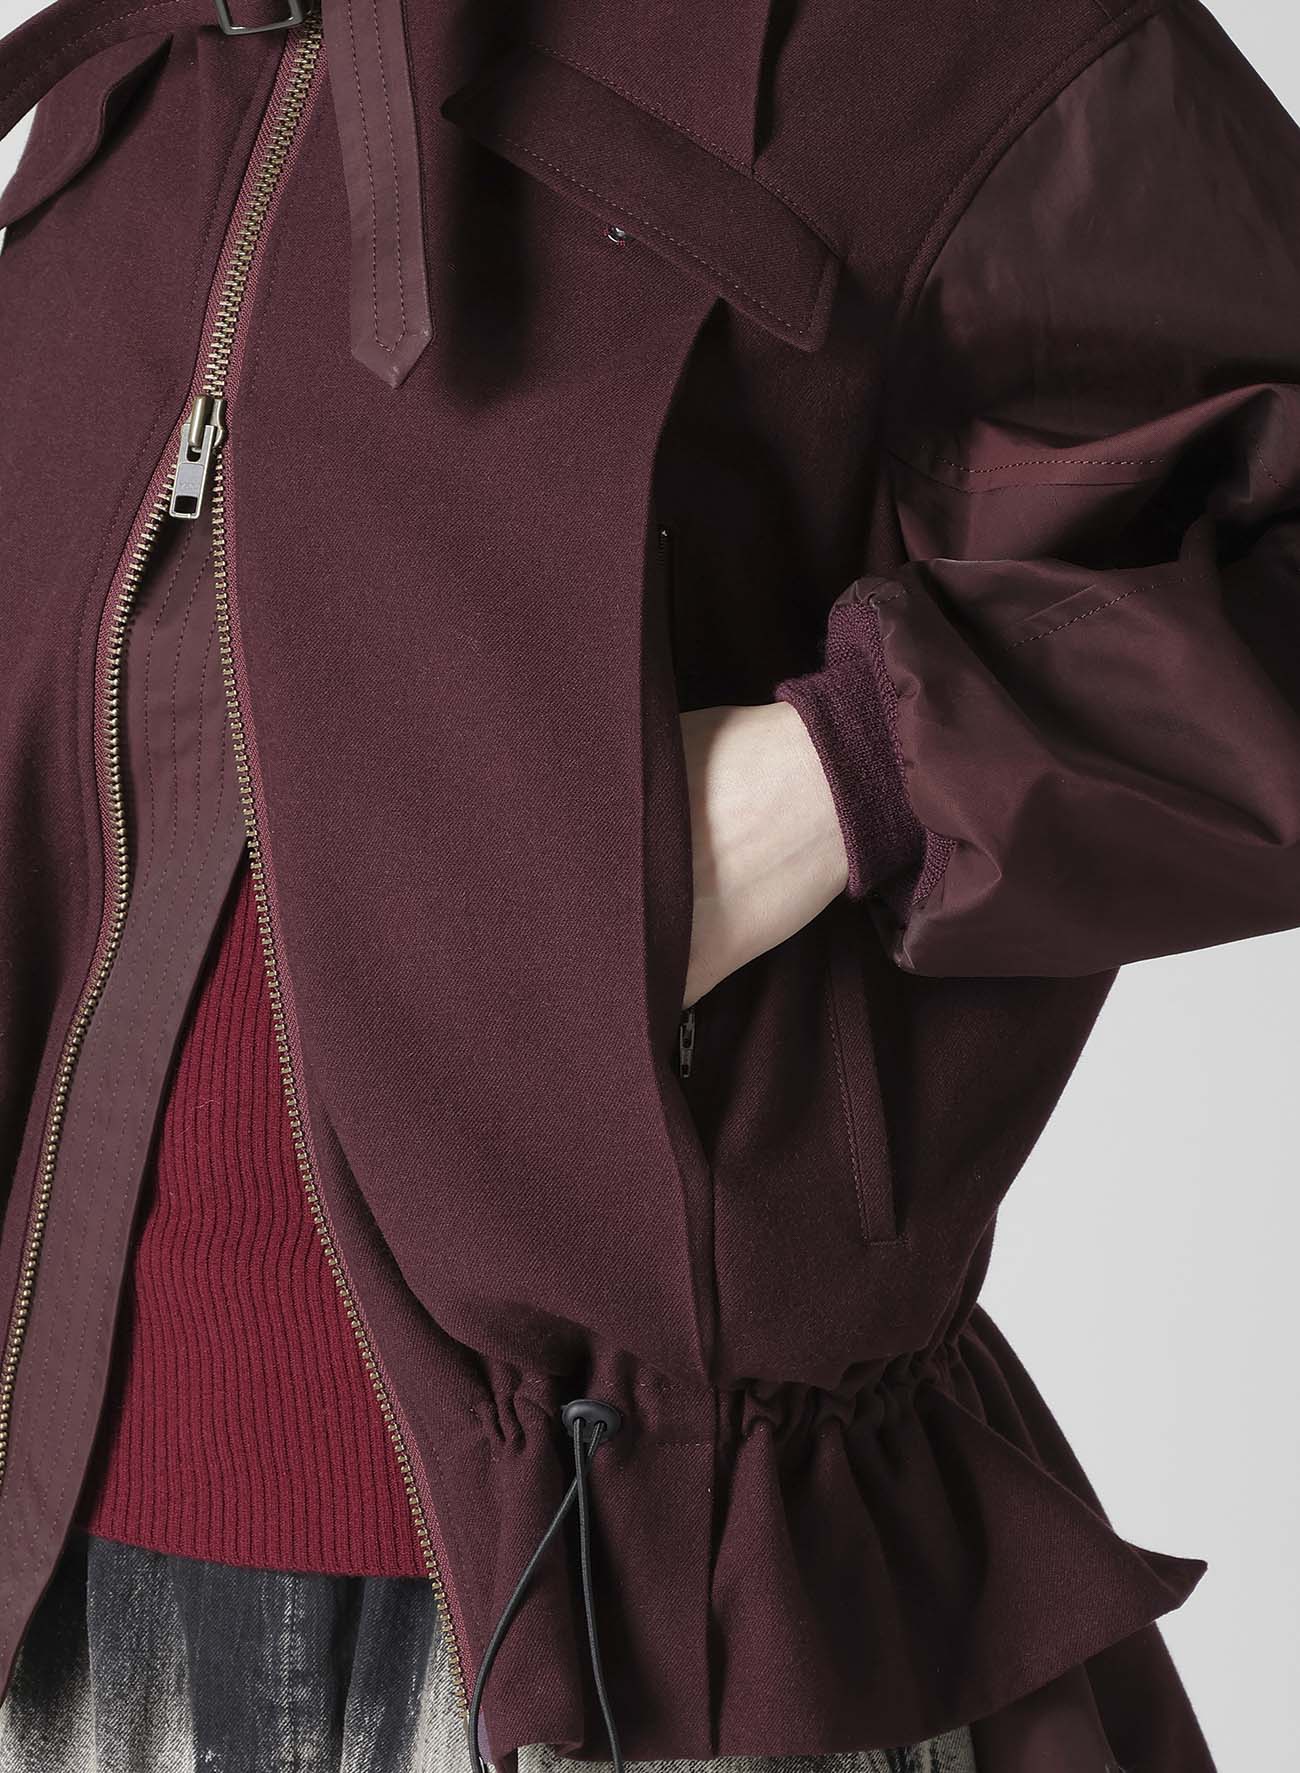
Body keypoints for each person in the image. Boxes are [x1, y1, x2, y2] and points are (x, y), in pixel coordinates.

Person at [0, 0, 1296, 1767]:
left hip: (635, 1644)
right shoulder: (163, 63)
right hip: (67, 1614)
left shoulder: (942, 38)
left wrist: (847, 777)